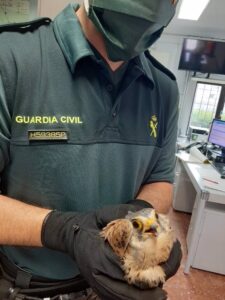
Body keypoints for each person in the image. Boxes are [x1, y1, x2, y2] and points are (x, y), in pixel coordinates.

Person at [0, 0, 182, 299]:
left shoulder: (164, 88)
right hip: (32, 287)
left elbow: (160, 181)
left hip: (118, 285)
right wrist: (65, 231)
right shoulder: (12, 58)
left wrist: (141, 220)